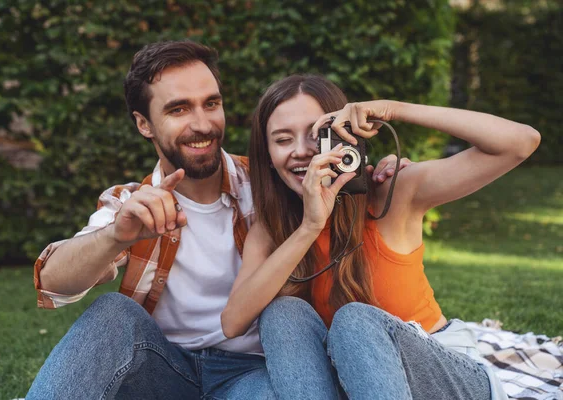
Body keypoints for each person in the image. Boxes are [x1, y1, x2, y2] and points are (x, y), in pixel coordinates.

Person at [26, 42, 403, 399]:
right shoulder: (132, 205)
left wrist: (386, 172)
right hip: (163, 368)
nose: (202, 124)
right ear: (144, 124)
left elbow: (339, 184)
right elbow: (53, 283)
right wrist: (115, 237)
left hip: (253, 372)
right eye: (178, 109)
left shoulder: (271, 183)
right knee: (112, 313)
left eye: (211, 104)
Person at [221, 74, 541, 400]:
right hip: (363, 384)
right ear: (269, 158)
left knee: (355, 320)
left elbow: (520, 142)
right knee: (282, 312)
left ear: (343, 137)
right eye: (283, 139)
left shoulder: (390, 192)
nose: (302, 152)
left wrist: (393, 109)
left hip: (447, 375)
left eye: (318, 136)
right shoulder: (272, 229)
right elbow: (233, 322)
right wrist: (310, 226)